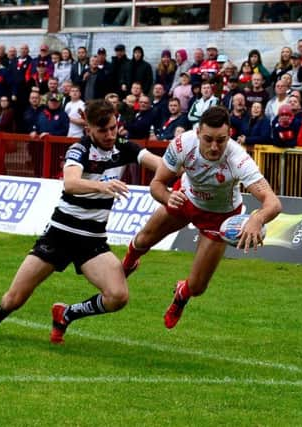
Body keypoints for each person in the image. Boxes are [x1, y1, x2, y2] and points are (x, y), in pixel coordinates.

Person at [0, 99, 160, 343]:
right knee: (14, 299)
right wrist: (102, 186)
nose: (109, 134)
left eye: (113, 128)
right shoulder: (80, 149)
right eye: (102, 130)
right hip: (60, 234)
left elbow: (161, 165)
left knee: (118, 297)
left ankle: (66, 314)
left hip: (92, 240)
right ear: (89, 130)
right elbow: (70, 184)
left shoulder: (125, 146)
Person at [121, 106, 282, 329]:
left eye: (221, 140)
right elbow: (156, 185)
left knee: (197, 287)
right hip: (185, 198)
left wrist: (257, 218)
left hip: (220, 217)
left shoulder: (238, 158)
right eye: (208, 139)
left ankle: (181, 294)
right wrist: (167, 198)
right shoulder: (181, 144)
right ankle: (127, 266)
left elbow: (273, 203)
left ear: (230, 135)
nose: (215, 147)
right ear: (197, 133)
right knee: (142, 240)